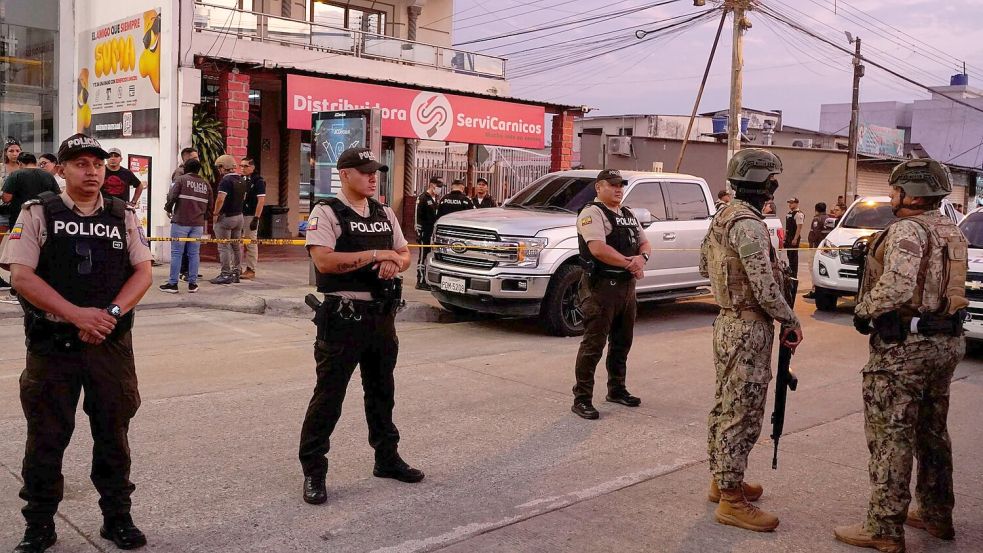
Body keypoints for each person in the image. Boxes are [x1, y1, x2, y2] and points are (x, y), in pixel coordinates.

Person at [1, 133, 153, 552]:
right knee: (46, 438)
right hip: (53, 347)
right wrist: (76, 315)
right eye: (81, 163)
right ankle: (40, 525)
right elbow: (21, 275)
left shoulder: (123, 213)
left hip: (109, 345)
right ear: (62, 169)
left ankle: (117, 518)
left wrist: (110, 315)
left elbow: (142, 273)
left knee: (113, 434)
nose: (91, 171)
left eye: (97, 164)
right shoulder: (37, 213)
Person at [834, 159, 968, 553]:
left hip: (905, 348)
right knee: (932, 432)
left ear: (912, 193)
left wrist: (863, 310)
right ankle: (936, 514)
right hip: (945, 343)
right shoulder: (949, 229)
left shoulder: (908, 229)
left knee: (891, 435)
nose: (892, 195)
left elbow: (895, 285)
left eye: (896, 189)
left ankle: (883, 527)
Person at [299, 147, 421, 506]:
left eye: (375, 172)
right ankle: (314, 470)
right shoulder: (327, 212)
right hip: (343, 318)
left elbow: (404, 253)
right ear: (345, 174)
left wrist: (394, 263)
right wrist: (375, 255)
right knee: (329, 398)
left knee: (382, 393)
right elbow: (323, 261)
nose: (372, 177)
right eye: (365, 171)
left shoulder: (383, 212)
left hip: (381, 317)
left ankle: (386, 458)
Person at [699, 148, 802, 533]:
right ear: (762, 183)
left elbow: (703, 266)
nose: (775, 185)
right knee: (742, 411)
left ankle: (723, 478)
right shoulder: (749, 224)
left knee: (726, 403)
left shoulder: (723, 216)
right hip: (748, 326)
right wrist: (790, 320)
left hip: (727, 322)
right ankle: (730, 499)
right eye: (772, 179)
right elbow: (765, 287)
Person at [570, 169, 652, 420]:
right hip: (601, 287)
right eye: (613, 185)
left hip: (626, 288)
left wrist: (642, 258)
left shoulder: (627, 214)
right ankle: (582, 398)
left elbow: (644, 243)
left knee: (622, 342)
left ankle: (616, 389)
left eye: (621, 185)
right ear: (599, 187)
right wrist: (630, 263)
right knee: (593, 345)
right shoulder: (591, 213)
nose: (618, 189)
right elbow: (597, 248)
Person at [160, 159, 212, 294]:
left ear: (186, 168)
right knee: (194, 254)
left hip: (181, 222)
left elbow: (172, 196)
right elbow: (210, 205)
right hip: (198, 225)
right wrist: (203, 217)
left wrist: (168, 209)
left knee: (177, 253)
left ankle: (173, 284)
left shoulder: (181, 180)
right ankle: (192, 284)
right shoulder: (206, 184)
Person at [209, 154, 248, 285]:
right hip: (239, 216)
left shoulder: (225, 181)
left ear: (223, 167)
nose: (218, 171)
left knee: (223, 247)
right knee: (236, 246)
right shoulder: (242, 180)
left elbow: (220, 199)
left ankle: (225, 274)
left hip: (226, 217)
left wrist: (215, 213)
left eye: (219, 168)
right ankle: (236, 272)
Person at [172, 147, 199, 281]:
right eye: (194, 158)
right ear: (186, 158)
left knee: (192, 249)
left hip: (194, 216)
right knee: (180, 249)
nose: (197, 160)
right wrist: (169, 208)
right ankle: (183, 272)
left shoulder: (196, 174)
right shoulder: (180, 173)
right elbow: (174, 193)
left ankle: (191, 271)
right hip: (182, 215)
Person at [239, 157, 266, 280]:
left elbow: (261, 201)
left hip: (251, 215)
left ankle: (251, 269)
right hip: (240, 214)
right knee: (237, 242)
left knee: (251, 243)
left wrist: (256, 218)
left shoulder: (258, 181)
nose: (243, 168)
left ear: (252, 167)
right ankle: (237, 267)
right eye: (241, 166)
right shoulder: (242, 180)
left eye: (246, 166)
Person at [414, 176, 442, 290]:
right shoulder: (423, 198)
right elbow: (417, 217)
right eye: (438, 186)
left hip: (432, 233)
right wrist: (419, 232)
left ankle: (429, 280)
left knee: (430, 257)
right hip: (424, 232)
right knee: (422, 257)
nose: (440, 189)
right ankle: (420, 281)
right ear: (432, 185)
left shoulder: (435, 199)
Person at [784, 197, 804, 278]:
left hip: (793, 237)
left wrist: (795, 238)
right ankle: (790, 272)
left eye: (792, 203)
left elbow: (799, 227)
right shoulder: (789, 213)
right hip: (788, 237)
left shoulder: (799, 214)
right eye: (789, 203)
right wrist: (785, 237)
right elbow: (787, 227)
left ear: (796, 203)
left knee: (793, 257)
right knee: (789, 255)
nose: (790, 204)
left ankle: (794, 274)